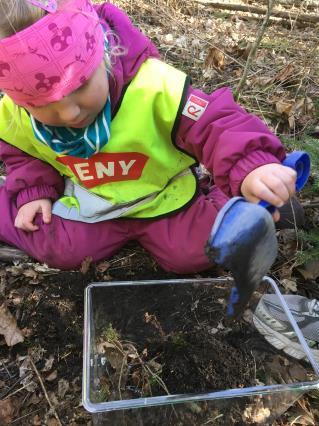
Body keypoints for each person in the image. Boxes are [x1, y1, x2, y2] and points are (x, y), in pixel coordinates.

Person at [0, 0, 300, 274]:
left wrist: (251, 165)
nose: (68, 113)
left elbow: (213, 123)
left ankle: (248, 194)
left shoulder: (153, 88)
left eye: (79, 86)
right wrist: (33, 191)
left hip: (162, 195)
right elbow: (22, 150)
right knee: (59, 251)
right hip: (93, 200)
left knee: (193, 254)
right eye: (42, 104)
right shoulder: (15, 112)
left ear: (101, 53)